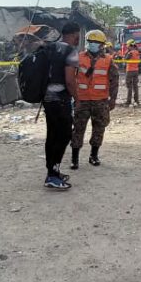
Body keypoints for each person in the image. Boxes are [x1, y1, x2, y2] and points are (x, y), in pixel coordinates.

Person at [70, 30, 119, 169]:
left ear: (102, 45)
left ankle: (94, 156)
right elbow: (71, 78)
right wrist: (73, 97)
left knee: (99, 129)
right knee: (78, 129)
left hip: (101, 101)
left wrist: (113, 99)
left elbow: (114, 80)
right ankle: (75, 159)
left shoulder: (108, 60)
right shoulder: (78, 58)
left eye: (96, 42)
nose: (93, 44)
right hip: (82, 100)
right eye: (91, 42)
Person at [43, 21, 81, 190]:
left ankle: (52, 172)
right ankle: (52, 174)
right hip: (61, 101)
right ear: (75, 34)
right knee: (64, 135)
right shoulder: (70, 51)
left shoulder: (51, 48)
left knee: (52, 135)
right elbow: (70, 80)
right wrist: (78, 99)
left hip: (48, 100)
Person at [123, 39, 140, 106]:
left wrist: (126, 52)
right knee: (135, 86)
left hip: (130, 71)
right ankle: (137, 101)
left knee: (129, 87)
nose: (127, 47)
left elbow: (125, 59)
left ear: (130, 45)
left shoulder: (130, 53)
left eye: (128, 46)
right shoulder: (137, 52)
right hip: (136, 70)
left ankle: (128, 101)